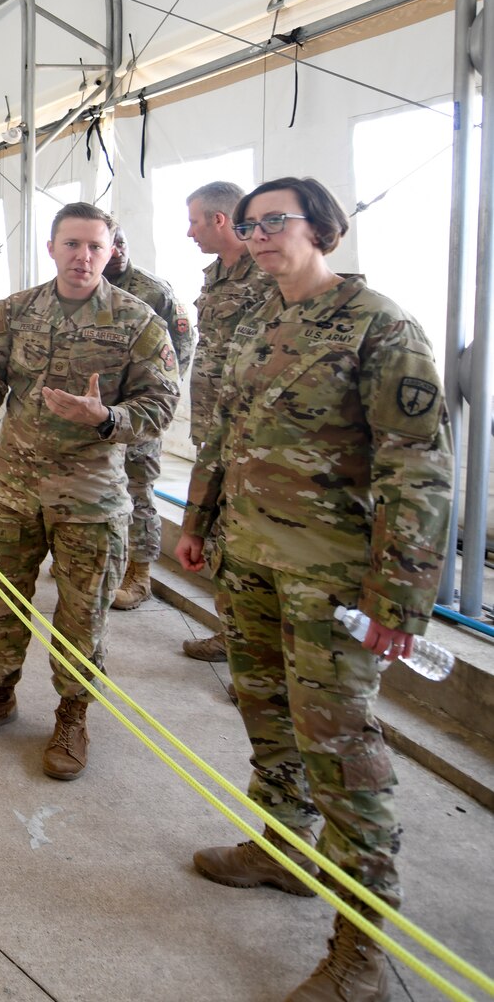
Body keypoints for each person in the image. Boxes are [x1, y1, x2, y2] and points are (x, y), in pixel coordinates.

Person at [174, 177, 452, 1001]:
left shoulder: (383, 326)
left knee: (342, 752)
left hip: (331, 578)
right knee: (265, 714)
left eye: (276, 222)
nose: (259, 237)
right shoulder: (262, 320)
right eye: (252, 225)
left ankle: (361, 949)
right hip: (250, 558)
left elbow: (419, 468)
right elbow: (224, 431)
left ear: (323, 228)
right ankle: (283, 848)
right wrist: (199, 520)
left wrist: (398, 598)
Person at [0, 202, 180, 780]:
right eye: (72, 244)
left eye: (95, 247)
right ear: (51, 248)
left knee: (83, 616)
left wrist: (105, 418)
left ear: (111, 252)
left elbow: (161, 407)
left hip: (90, 499)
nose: (83, 257)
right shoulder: (14, 311)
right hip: (13, 492)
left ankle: (72, 716)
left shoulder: (138, 321)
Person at [179, 181, 279, 662]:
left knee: (250, 539)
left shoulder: (269, 275)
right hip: (213, 427)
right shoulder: (215, 274)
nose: (189, 231)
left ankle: (262, 651)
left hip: (255, 435)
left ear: (220, 220)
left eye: (195, 220)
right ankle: (234, 634)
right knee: (219, 530)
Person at [102, 227, 194, 610]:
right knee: (97, 490)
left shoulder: (153, 291)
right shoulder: (79, 287)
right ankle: (104, 563)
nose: (119, 250)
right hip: (97, 415)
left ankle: (139, 575)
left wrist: (155, 396)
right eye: (112, 243)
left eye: (123, 241)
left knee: (138, 491)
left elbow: (182, 347)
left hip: (139, 413)